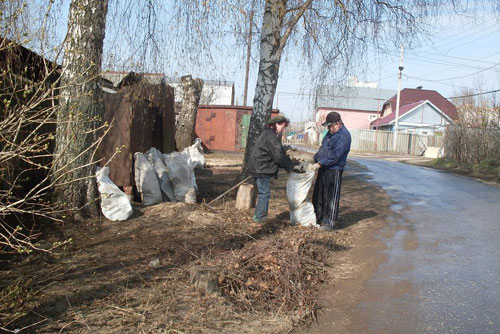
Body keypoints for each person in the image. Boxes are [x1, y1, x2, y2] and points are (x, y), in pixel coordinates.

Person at [247, 115, 302, 223]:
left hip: (260, 167)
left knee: (263, 192)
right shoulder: (271, 136)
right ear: (275, 125)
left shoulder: (269, 134)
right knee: (264, 193)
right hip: (261, 168)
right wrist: (291, 166)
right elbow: (278, 156)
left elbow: (279, 152)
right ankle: (260, 217)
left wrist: (289, 161)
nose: (284, 128)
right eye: (282, 126)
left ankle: (259, 215)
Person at [312, 111, 351, 231]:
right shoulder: (330, 134)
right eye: (328, 126)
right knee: (319, 194)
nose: (329, 128)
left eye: (330, 126)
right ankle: (318, 218)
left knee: (331, 196)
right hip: (323, 168)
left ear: (338, 124)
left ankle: (329, 222)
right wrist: (315, 158)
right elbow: (323, 149)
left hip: (334, 169)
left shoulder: (343, 136)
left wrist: (321, 163)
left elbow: (335, 155)